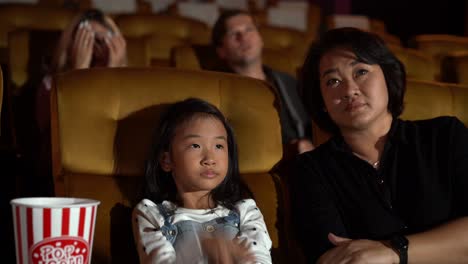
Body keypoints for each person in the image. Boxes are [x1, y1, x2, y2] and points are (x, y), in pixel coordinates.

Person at [290, 27, 468, 263]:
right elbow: (336, 259)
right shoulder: (311, 170)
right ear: (322, 101)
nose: (350, 90)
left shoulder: (445, 136)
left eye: (361, 72)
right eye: (333, 81)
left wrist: (393, 252)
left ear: (387, 76)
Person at [132, 98, 272, 264]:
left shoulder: (246, 212)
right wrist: (204, 250)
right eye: (195, 145)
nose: (210, 159)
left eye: (219, 146)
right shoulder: (151, 214)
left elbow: (261, 260)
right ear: (166, 160)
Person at [32, 9, 127, 195]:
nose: (95, 49)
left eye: (101, 41)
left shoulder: (129, 84)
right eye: (86, 41)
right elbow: (56, 138)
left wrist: (113, 71)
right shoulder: (51, 85)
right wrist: (79, 72)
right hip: (69, 170)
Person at [211, 10, 314, 155]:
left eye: (249, 29)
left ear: (260, 38)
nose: (243, 38)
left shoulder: (289, 82)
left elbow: (312, 127)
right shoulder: (218, 91)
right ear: (221, 50)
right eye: (234, 34)